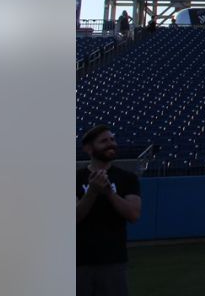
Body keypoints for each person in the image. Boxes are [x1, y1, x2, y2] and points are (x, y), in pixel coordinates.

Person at [77, 124, 142, 296]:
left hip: (113, 261)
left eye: (112, 140)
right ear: (89, 149)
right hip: (78, 262)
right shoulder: (74, 178)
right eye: (104, 141)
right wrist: (91, 191)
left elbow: (134, 215)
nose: (111, 144)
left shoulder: (127, 178)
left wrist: (109, 193)